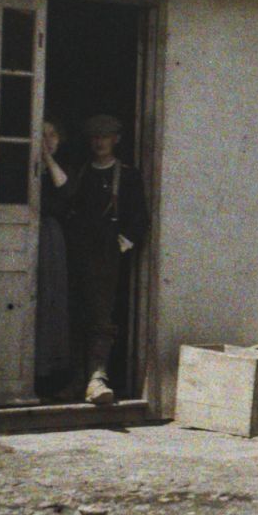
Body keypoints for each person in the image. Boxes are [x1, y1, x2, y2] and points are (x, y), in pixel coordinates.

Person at [65, 113, 150, 408]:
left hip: (105, 253)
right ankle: (77, 380)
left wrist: (121, 245)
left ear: (117, 139)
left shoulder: (127, 175)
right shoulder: (81, 172)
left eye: (105, 136)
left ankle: (97, 378)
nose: (99, 142)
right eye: (95, 137)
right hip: (78, 249)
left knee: (101, 314)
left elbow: (139, 217)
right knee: (76, 312)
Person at [34, 119, 76, 399]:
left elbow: (66, 191)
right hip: (27, 233)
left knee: (52, 300)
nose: (47, 140)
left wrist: (47, 158)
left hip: (51, 238)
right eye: (41, 134)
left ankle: (51, 375)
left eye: (53, 135)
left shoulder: (63, 168)